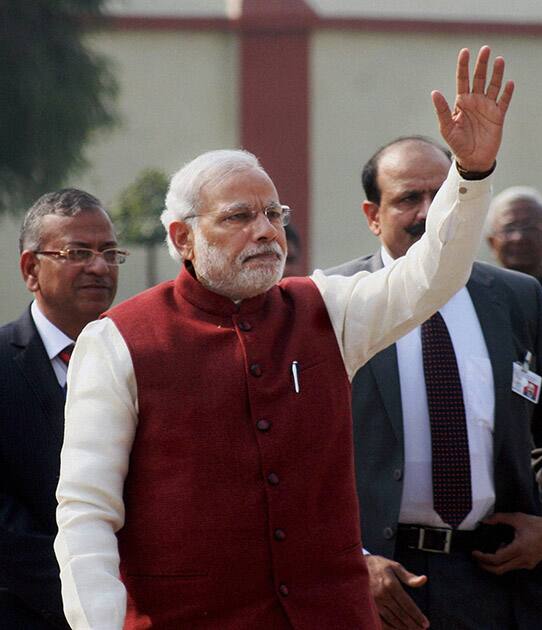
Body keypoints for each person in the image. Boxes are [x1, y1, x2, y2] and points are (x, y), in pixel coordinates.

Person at [55, 47, 513, 629]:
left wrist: (469, 177)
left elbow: (432, 275)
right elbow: (87, 513)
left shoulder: (326, 307)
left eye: (274, 213)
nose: (267, 231)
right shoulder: (119, 340)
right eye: (240, 216)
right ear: (182, 236)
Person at [327, 135, 542, 629]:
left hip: (499, 578)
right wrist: (353, 556)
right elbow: (294, 457)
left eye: (442, 193)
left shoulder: (517, 298)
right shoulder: (335, 303)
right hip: (381, 582)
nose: (430, 212)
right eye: (408, 198)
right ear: (372, 215)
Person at [0, 189, 124, 628]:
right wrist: (88, 595)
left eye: (109, 252)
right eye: (77, 252)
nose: (98, 266)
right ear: (31, 269)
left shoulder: (141, 358)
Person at [486, 186, 542, 294]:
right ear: (492, 242)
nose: (519, 237)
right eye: (509, 228)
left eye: (530, 227)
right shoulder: (479, 295)